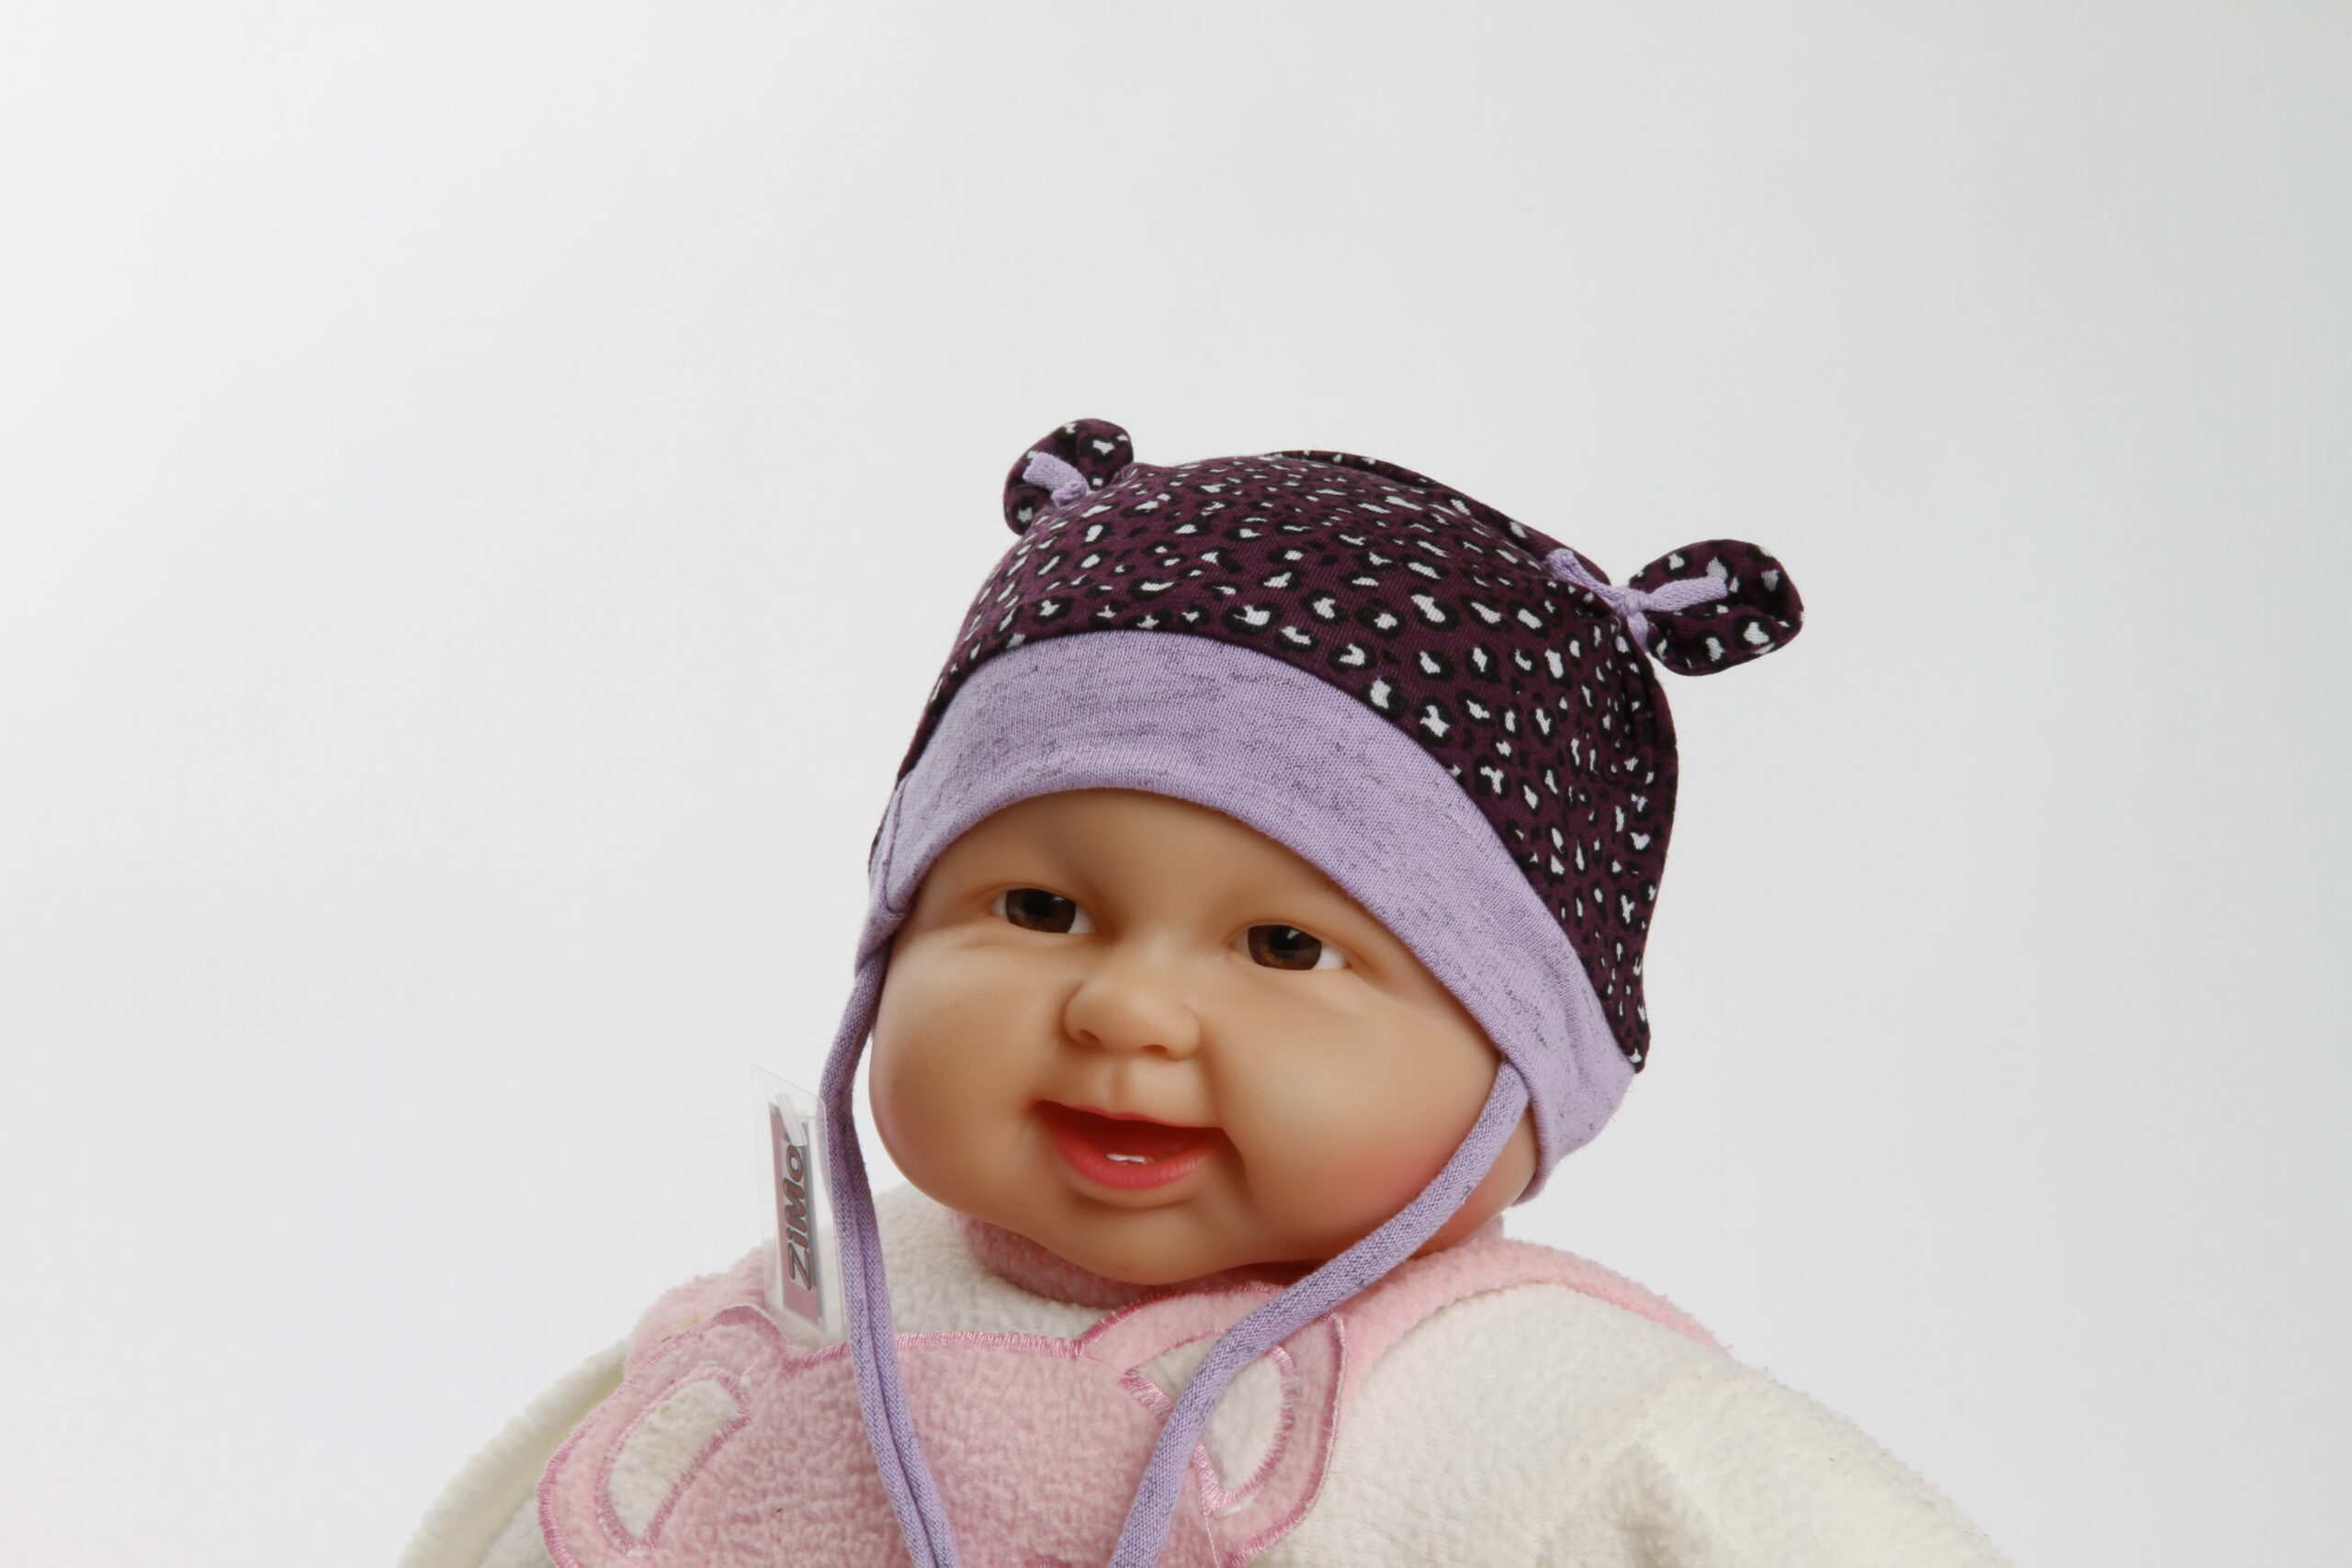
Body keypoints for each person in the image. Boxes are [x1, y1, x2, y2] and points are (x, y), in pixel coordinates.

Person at [401, 420, 2009, 1568]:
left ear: (1531, 1055)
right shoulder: (781, 1336)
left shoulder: (1550, 1425)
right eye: (1039, 910)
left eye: (1286, 949)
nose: (1125, 1013)